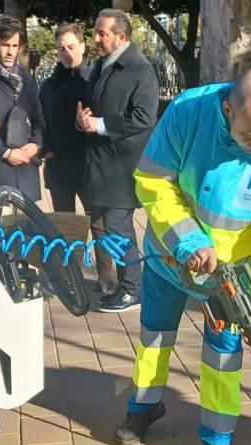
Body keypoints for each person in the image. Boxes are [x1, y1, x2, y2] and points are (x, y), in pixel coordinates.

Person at [114, 66, 251, 445]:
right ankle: (144, 406)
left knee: (224, 354)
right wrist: (188, 241)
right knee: (154, 336)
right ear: (227, 109)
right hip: (171, 255)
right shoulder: (187, 113)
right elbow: (152, 181)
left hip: (228, 278)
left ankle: (218, 438)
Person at [76, 9, 159, 313]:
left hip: (120, 167)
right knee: (109, 229)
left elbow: (144, 117)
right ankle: (124, 287)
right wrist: (82, 120)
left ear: (121, 37)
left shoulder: (140, 69)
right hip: (97, 164)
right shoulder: (101, 65)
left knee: (119, 228)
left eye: (102, 33)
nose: (96, 38)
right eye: (96, 31)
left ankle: (132, 290)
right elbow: (90, 109)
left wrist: (98, 124)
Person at [0, 15, 46, 197]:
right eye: (5, 45)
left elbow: (38, 119)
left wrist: (36, 145)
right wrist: (5, 153)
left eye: (14, 46)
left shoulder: (26, 78)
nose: (10, 52)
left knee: (27, 224)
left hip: (26, 170)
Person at [39, 23, 91, 213]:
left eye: (71, 47)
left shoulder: (96, 81)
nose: (66, 53)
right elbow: (40, 121)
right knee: (65, 231)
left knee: (100, 229)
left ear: (83, 46)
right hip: (59, 169)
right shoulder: (49, 86)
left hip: (90, 169)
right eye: (62, 48)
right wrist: (45, 147)